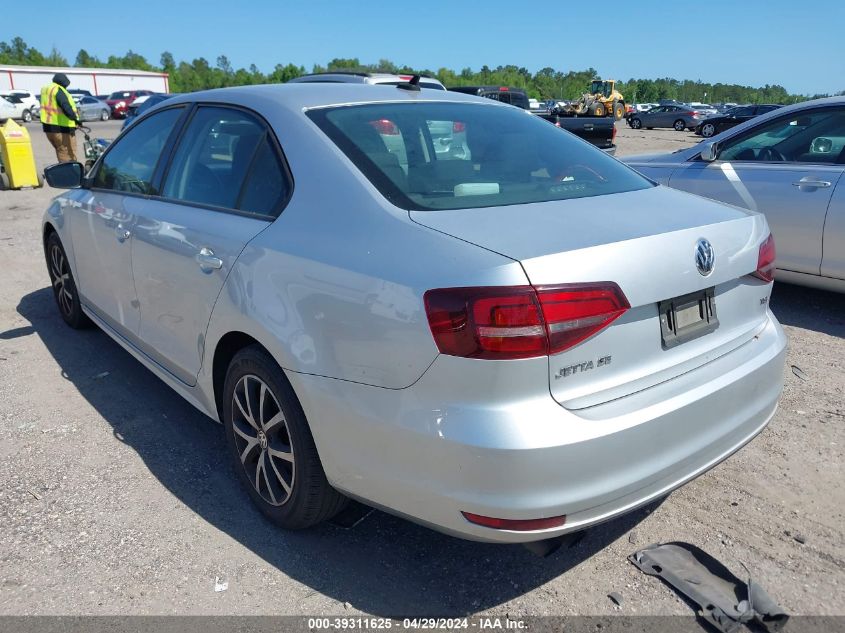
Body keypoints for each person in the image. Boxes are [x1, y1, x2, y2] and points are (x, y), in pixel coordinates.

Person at [40, 73, 82, 163]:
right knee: (67, 155)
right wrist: (76, 120)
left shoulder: (46, 89)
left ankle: (65, 172)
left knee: (60, 151)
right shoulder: (58, 90)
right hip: (62, 130)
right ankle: (69, 175)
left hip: (49, 129)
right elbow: (65, 106)